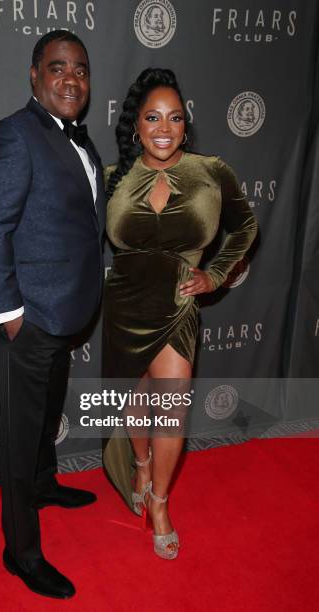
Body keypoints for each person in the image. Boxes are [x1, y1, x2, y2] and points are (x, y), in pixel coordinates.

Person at [0, 31, 105, 599]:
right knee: (21, 439)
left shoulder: (81, 141)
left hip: (64, 312)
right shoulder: (12, 136)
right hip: (25, 321)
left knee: (48, 415)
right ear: (34, 75)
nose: (70, 79)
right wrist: (11, 317)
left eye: (79, 69)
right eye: (57, 68)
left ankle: (46, 485)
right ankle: (21, 552)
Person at [103, 68, 257, 560]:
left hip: (177, 305)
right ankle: (141, 466)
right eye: (152, 117)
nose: (164, 127)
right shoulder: (113, 178)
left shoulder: (211, 171)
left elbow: (245, 225)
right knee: (135, 397)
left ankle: (161, 501)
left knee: (171, 408)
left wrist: (216, 275)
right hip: (124, 303)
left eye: (174, 117)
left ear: (185, 126)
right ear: (137, 126)